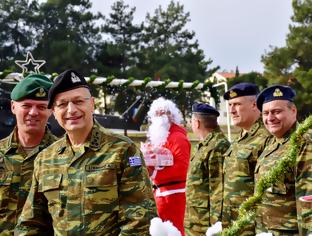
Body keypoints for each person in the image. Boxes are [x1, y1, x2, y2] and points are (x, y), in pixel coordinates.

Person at [15, 69, 157, 235]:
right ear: (53, 111)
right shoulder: (46, 158)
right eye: (62, 104)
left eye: (78, 101)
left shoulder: (123, 150)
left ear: (92, 104)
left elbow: (140, 219)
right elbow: (31, 221)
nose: (71, 110)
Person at [0, 74, 56, 235]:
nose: (33, 112)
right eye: (26, 105)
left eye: (41, 106)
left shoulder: (65, 155)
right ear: (13, 107)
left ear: (51, 110)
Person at [255, 85, 312, 235]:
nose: (270, 118)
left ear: (293, 111)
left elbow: (308, 198)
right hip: (267, 230)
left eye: (277, 112)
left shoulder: (303, 142)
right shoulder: (273, 142)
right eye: (266, 113)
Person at [221, 82, 272, 235]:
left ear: (254, 104)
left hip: (253, 224)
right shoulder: (240, 137)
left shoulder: (267, 137)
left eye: (236, 104)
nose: (231, 110)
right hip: (233, 222)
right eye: (230, 105)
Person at [141, 97, 191, 236]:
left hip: (173, 195)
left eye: (162, 113)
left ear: (171, 115)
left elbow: (182, 168)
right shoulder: (163, 136)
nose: (159, 117)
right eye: (156, 113)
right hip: (162, 193)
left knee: (174, 230)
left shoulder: (177, 138)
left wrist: (156, 174)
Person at [184, 103, 230, 236]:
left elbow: (218, 189)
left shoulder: (217, 146)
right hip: (197, 219)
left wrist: (216, 227)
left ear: (197, 123)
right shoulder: (205, 144)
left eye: (191, 121)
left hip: (206, 224)